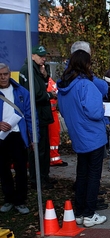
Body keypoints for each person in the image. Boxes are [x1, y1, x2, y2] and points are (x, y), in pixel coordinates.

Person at [57, 49, 107, 227]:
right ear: (87, 64)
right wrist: (102, 108)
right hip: (93, 135)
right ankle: (89, 213)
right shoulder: (86, 85)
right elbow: (95, 111)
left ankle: (79, 212)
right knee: (93, 176)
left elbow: (62, 110)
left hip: (77, 135)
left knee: (82, 173)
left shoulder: (63, 87)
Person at [19, 45, 57, 189]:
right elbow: (34, 95)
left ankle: (44, 176)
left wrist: (45, 77)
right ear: (33, 55)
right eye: (41, 56)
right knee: (38, 148)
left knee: (44, 148)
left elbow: (43, 87)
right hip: (36, 115)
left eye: (44, 56)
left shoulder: (38, 69)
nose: (44, 59)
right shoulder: (27, 70)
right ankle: (37, 180)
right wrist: (49, 95)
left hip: (43, 114)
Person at [0, 63, 36, 214]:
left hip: (18, 135)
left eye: (5, 74)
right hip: (1, 137)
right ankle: (9, 199)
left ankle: (20, 200)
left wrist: (34, 137)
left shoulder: (22, 92)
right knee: (3, 169)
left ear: (9, 74)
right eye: (0, 75)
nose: (3, 77)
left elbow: (30, 116)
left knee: (21, 168)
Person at [47, 77, 68, 167]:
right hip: (46, 112)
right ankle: (52, 159)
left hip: (53, 112)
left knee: (54, 136)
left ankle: (54, 158)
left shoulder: (50, 80)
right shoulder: (41, 81)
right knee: (50, 137)